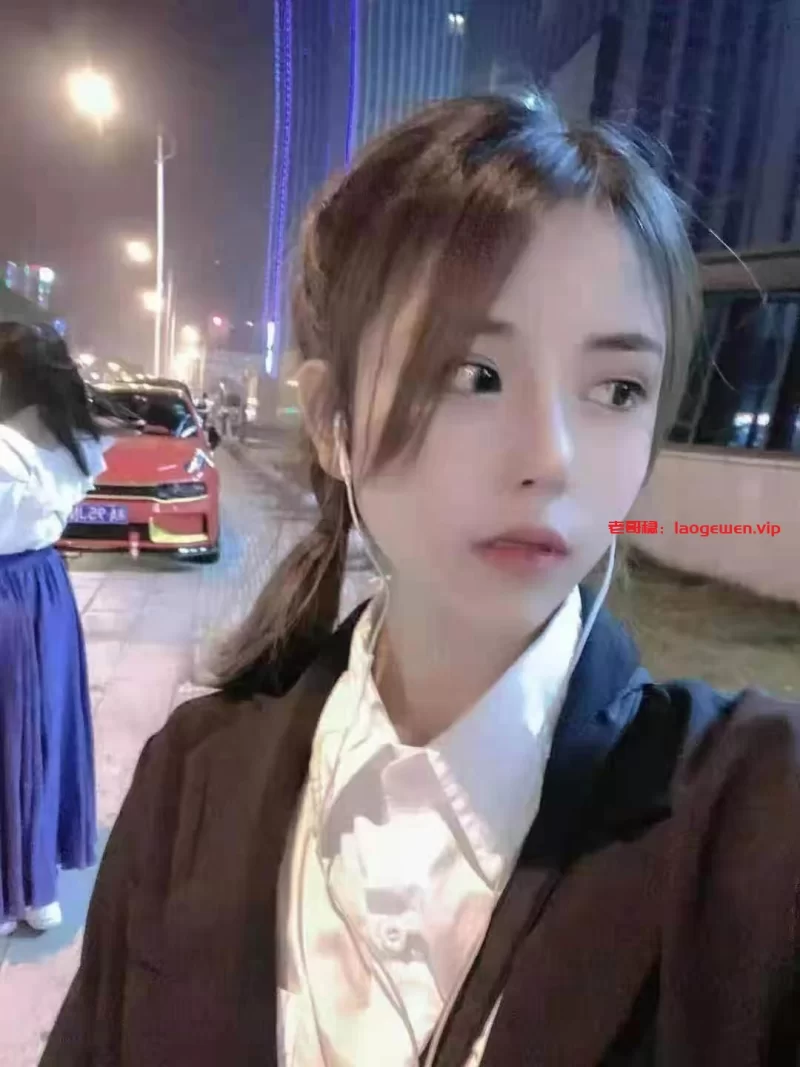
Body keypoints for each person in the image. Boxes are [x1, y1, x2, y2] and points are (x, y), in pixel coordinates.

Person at [41, 94, 799, 1066]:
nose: (552, 457)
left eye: (617, 389)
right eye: (473, 373)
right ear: (332, 420)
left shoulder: (752, 819)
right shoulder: (192, 778)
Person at [0, 324, 136, 936]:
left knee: (9, 737)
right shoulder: (69, 438)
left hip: (7, 592)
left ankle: (13, 892)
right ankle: (37, 887)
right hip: (46, 589)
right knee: (43, 732)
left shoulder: (7, 448)